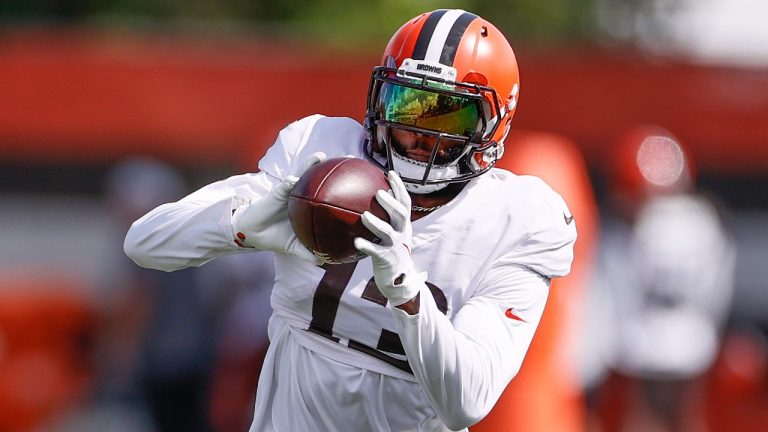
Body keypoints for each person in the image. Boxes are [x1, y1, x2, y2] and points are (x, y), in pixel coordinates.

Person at [124, 9, 576, 431]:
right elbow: (144, 243)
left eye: (448, 114)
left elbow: (466, 402)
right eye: (409, 105)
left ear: (491, 124)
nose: (422, 133)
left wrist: (407, 293)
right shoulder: (323, 157)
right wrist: (239, 226)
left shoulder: (518, 219)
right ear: (381, 98)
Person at [588, 126, 736, 432]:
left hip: (641, 339)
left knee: (643, 417)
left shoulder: (625, 233)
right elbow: (720, 285)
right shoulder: (705, 220)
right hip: (692, 336)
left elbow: (614, 294)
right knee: (687, 416)